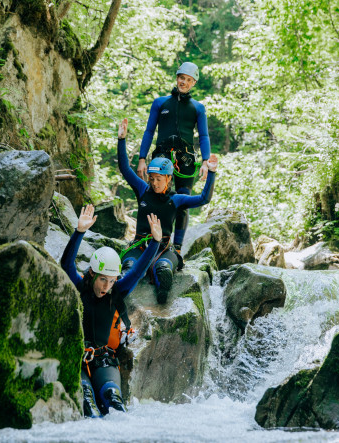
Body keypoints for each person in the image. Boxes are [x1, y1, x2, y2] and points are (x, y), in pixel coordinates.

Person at [61, 204, 162, 418]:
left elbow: (138, 270)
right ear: (92, 274)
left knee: (114, 401)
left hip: (105, 360)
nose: (106, 286)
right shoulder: (80, 287)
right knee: (86, 400)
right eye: (102, 280)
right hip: (77, 359)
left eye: (111, 280)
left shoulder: (116, 292)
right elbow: (66, 264)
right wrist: (79, 232)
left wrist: (155, 242)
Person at [118, 118, 218, 304]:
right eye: (152, 178)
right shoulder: (142, 190)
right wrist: (121, 139)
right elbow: (125, 168)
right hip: (140, 246)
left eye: (159, 179)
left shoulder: (176, 199)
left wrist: (211, 173)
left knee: (164, 268)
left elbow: (203, 199)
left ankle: (162, 292)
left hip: (163, 249)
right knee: (129, 267)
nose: (154, 183)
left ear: (169, 179)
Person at [136, 61, 211, 255]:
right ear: (177, 78)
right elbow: (149, 130)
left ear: (193, 82)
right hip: (161, 159)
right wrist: (142, 158)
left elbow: (203, 136)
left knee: (183, 202)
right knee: (158, 198)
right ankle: (153, 239)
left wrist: (205, 161)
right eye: (181, 78)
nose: (183, 82)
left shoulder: (198, 108)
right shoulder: (160, 103)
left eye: (188, 80)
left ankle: (176, 247)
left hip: (185, 162)